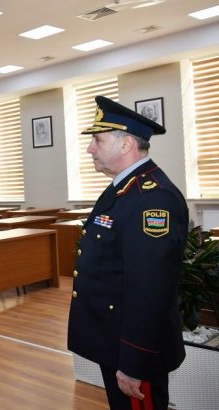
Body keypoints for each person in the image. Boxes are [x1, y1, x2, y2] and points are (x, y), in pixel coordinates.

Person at [67, 96, 188, 410]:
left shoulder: (152, 199)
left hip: (133, 350)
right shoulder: (124, 188)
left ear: (126, 145)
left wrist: (134, 361)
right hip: (115, 340)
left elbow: (149, 288)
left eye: (97, 139)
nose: (90, 148)